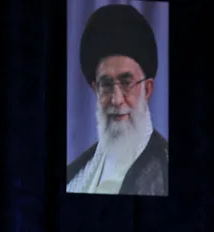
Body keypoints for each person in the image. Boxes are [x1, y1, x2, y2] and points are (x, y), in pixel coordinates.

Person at [66, 3, 168, 196]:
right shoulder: (74, 176)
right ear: (95, 89)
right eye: (106, 84)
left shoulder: (167, 170)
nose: (116, 99)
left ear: (147, 89)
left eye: (126, 82)